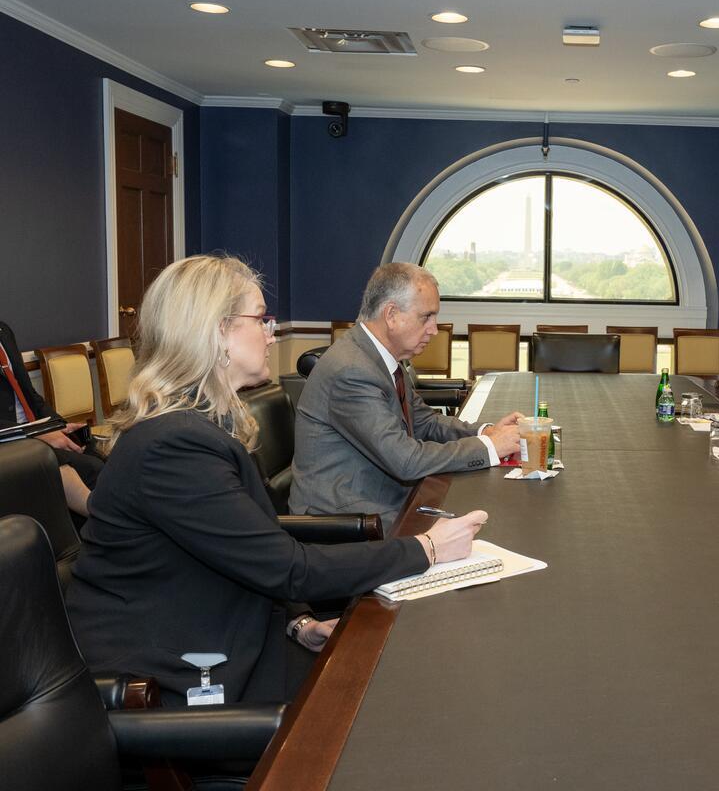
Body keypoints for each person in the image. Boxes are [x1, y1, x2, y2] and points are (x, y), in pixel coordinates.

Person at [66, 255, 486, 705]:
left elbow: (251, 552)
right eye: (260, 319)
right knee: (406, 692)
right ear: (218, 332)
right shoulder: (174, 447)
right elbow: (288, 568)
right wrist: (427, 549)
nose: (272, 334)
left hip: (241, 637)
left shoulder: (200, 427)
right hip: (175, 678)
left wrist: (299, 623)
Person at [290, 263, 521, 524]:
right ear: (391, 315)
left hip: (381, 498)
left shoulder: (382, 358)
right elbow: (406, 460)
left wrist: (486, 433)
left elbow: (425, 422)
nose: (434, 329)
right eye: (426, 317)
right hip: (347, 519)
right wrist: (490, 447)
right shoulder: (352, 370)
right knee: (485, 525)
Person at [0, 319, 102, 517]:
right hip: (11, 440)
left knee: (93, 448)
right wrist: (34, 435)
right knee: (92, 468)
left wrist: (59, 425)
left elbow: (31, 395)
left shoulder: (4, 331)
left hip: (33, 429)